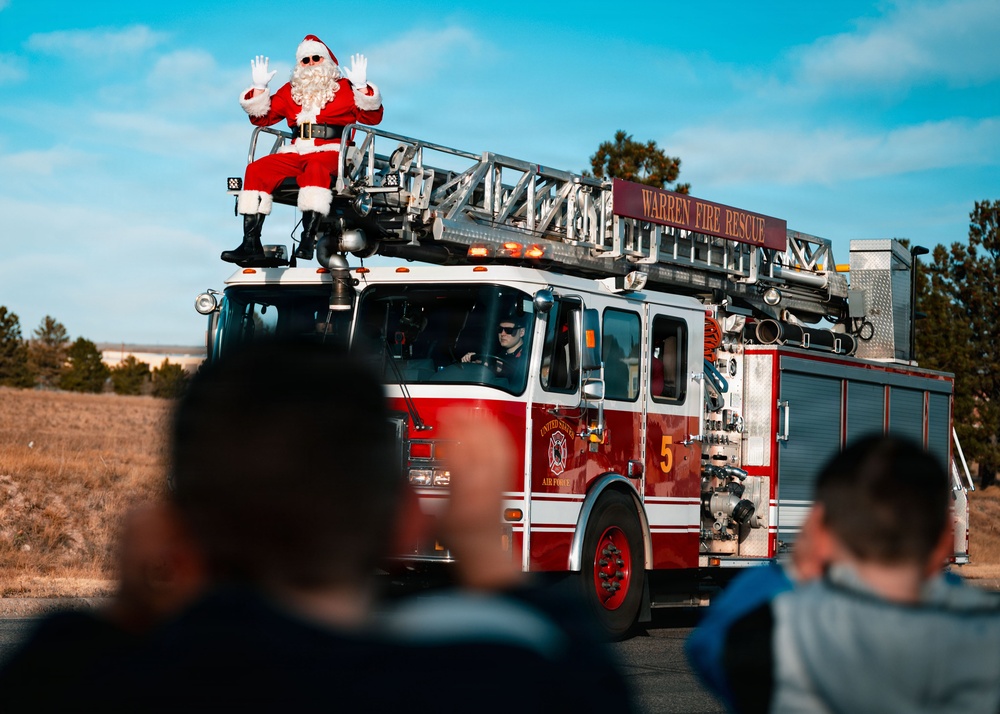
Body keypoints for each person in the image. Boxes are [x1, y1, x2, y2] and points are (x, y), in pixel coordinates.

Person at [0, 340, 634, 712]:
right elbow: (592, 687)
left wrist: (132, 603)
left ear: (172, 524)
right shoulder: (501, 683)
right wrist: (484, 552)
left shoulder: (76, 674)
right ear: (405, 524)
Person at [685, 434, 1000, 714]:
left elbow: (712, 636)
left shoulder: (777, 636)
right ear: (945, 539)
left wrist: (798, 565)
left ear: (820, 532)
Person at [222, 35, 384, 266]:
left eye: (316, 58)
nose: (311, 64)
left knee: (315, 169)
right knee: (257, 169)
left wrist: (361, 87)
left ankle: (307, 238)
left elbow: (372, 117)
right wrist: (259, 88)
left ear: (327, 61)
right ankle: (250, 243)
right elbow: (262, 118)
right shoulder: (291, 91)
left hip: (331, 151)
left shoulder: (345, 88)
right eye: (305, 60)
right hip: (296, 151)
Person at [462, 316, 527, 379]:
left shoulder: (528, 357)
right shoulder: (498, 354)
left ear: (521, 332)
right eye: (500, 329)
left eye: (509, 330)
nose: (502, 334)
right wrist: (475, 361)